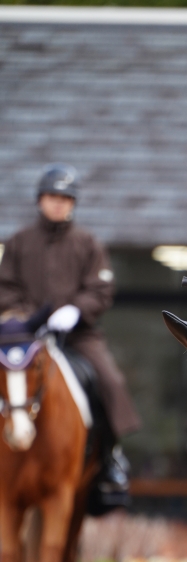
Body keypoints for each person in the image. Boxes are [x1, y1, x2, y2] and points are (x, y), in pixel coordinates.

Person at [0, 164, 139, 510]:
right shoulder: (18, 243)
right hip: (25, 338)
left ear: (72, 203)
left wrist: (76, 310)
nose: (58, 204)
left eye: (65, 198)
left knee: (110, 380)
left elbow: (101, 287)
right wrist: (25, 319)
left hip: (78, 336)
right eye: (52, 197)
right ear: (40, 200)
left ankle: (110, 461)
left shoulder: (87, 243)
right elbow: (5, 288)